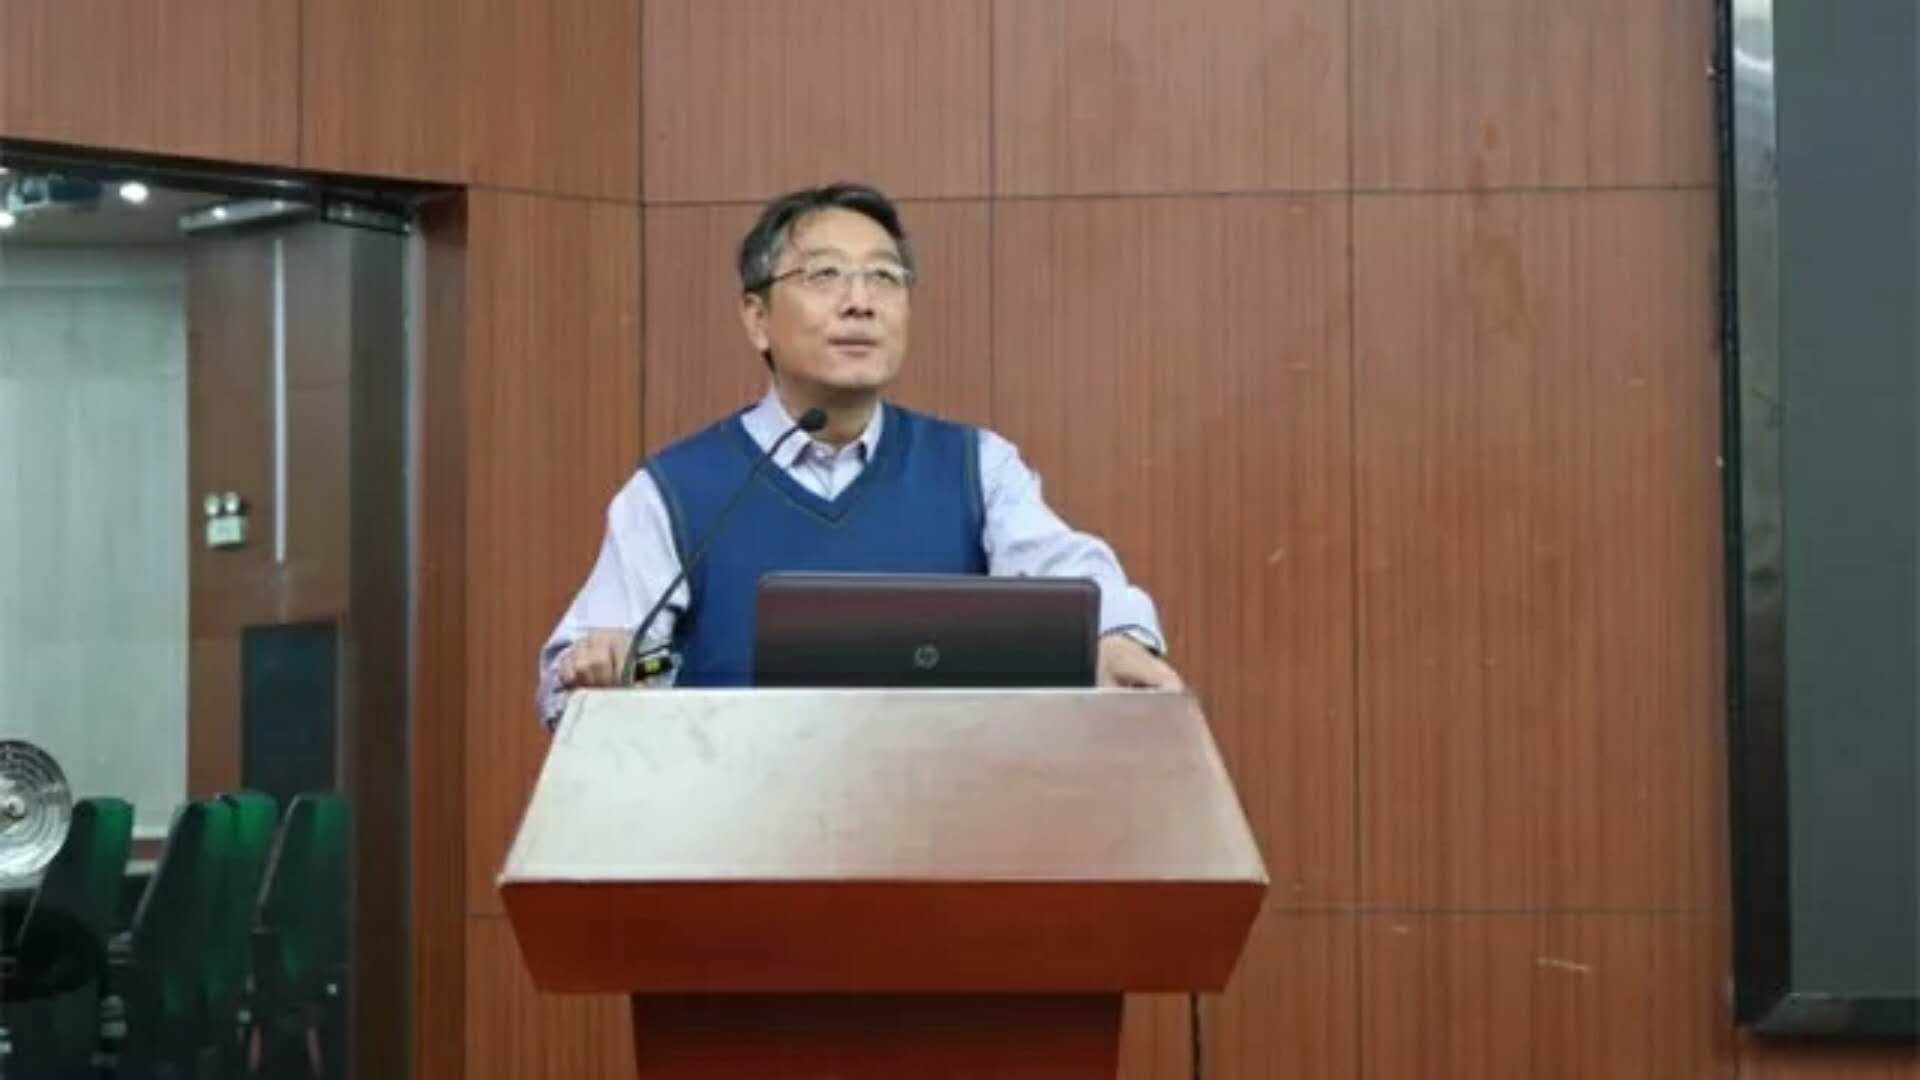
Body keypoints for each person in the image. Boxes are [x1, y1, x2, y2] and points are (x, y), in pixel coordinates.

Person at [536, 182, 1181, 727]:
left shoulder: (976, 467)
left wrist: (1114, 638)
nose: (860, 302)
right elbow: (568, 685)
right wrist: (602, 671)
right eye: (824, 275)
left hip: (937, 815)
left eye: (884, 277)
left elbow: (1071, 576)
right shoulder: (677, 489)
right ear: (757, 318)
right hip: (738, 820)